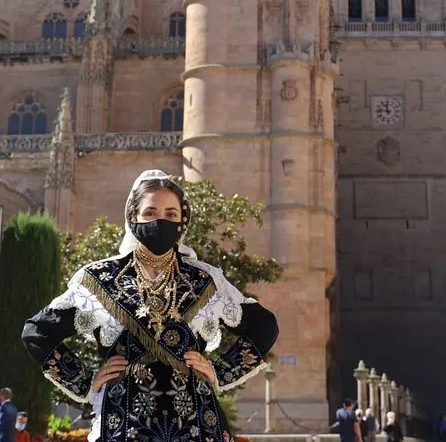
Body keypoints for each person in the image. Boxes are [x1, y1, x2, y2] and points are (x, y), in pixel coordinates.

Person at [22, 169, 280, 442]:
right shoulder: (99, 279)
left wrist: (219, 371)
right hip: (124, 426)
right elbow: (37, 332)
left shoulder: (205, 279)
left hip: (197, 427)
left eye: (170, 214)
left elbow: (264, 326)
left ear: (183, 220)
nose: (160, 220)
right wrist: (86, 381)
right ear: (133, 217)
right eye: (150, 212)